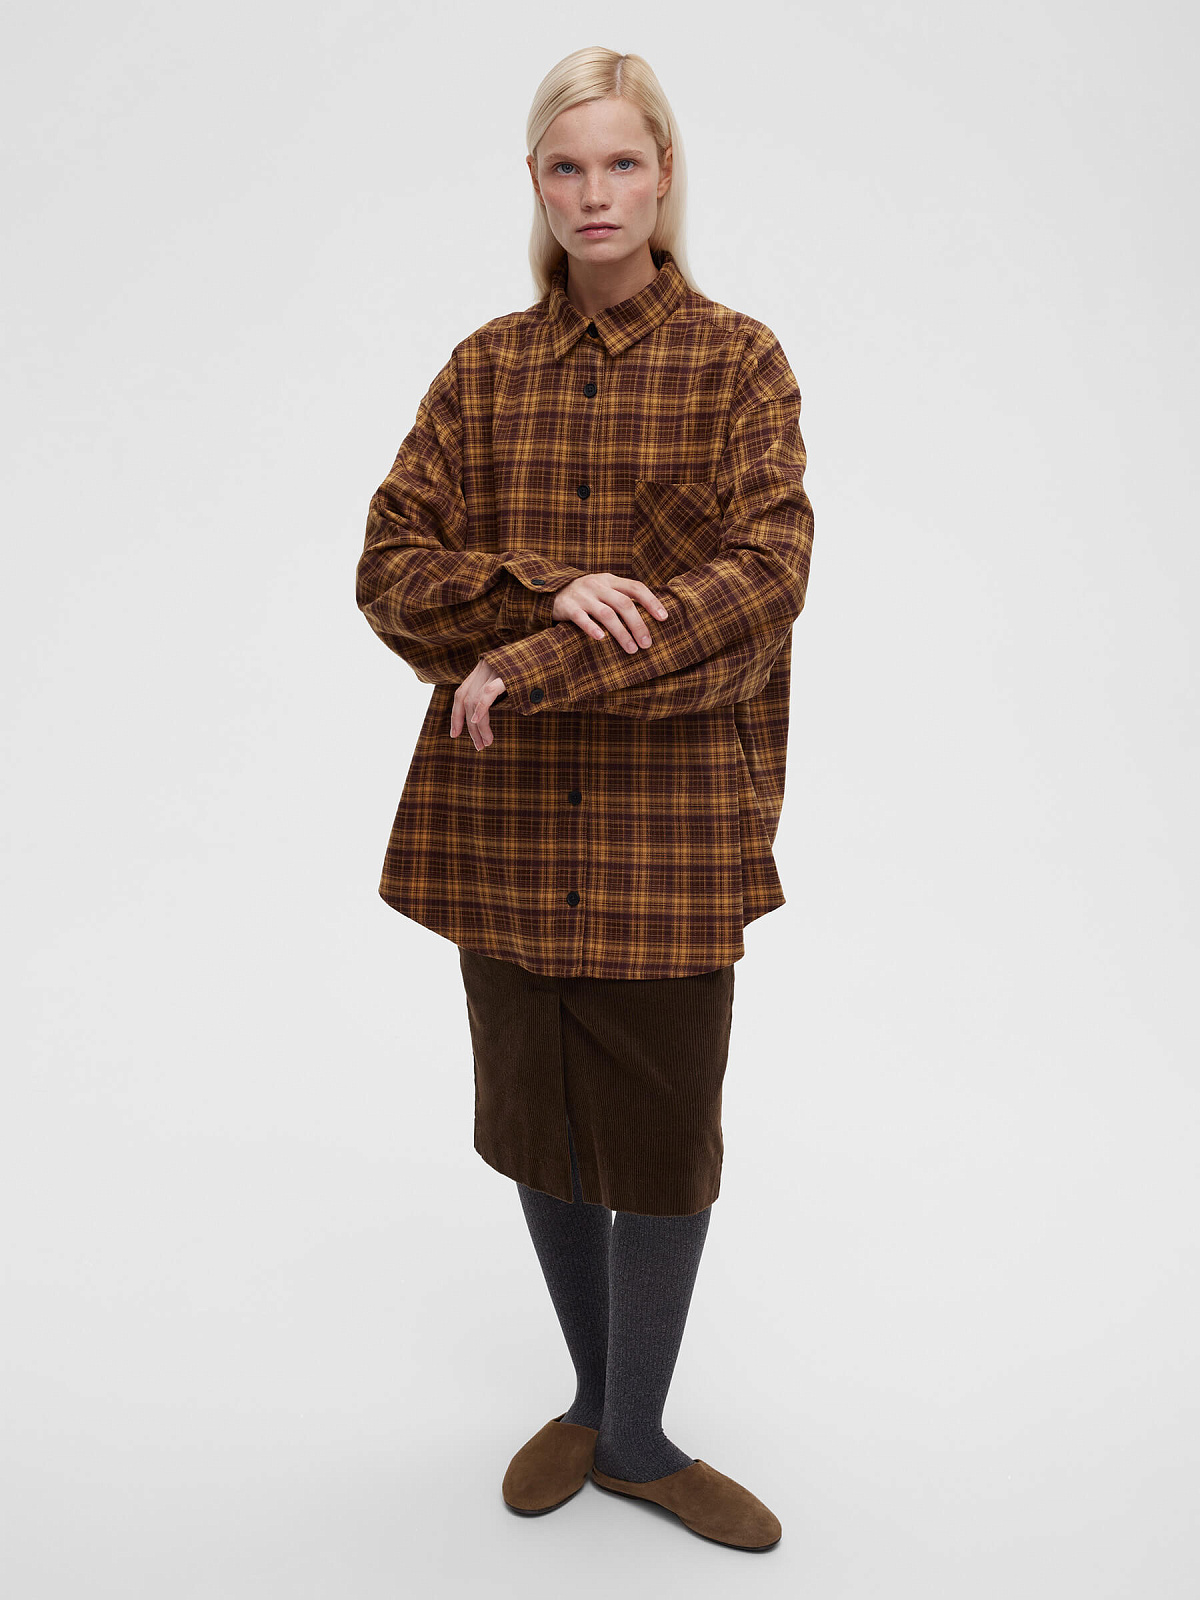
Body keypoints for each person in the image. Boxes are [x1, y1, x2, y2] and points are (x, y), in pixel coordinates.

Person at [355, 46, 814, 1552]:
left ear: (665, 174)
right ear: (536, 185)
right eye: (567, 166)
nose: (595, 192)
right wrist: (548, 585)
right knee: (535, 1120)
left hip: (667, 829)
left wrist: (532, 665)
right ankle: (596, 1403)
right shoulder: (484, 372)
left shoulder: (739, 362)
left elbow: (760, 588)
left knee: (666, 1136)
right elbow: (389, 569)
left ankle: (638, 1437)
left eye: (621, 162)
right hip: (502, 826)